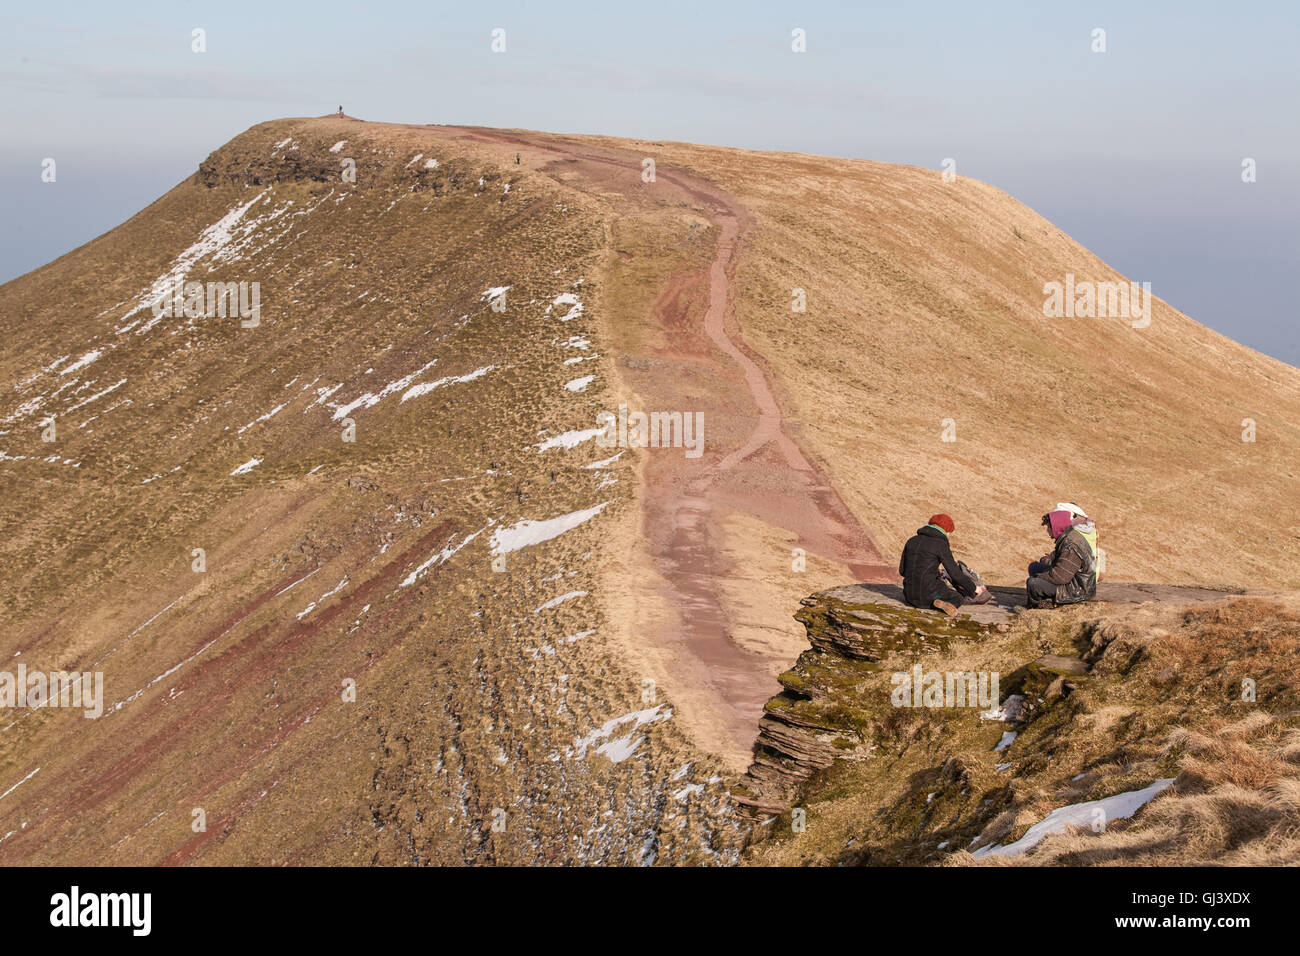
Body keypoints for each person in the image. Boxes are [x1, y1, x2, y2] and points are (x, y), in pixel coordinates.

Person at [899, 514, 992, 616]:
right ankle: (939, 604)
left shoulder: (911, 541)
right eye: (949, 533)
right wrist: (974, 588)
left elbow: (902, 571)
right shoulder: (940, 544)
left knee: (934, 587)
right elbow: (955, 573)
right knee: (957, 597)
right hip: (929, 594)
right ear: (946, 530)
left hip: (909, 596)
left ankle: (937, 603)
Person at [1026, 509, 1098, 608]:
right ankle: (1046, 599)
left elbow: (1061, 577)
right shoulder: (1068, 536)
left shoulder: (1071, 546)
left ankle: (1037, 607)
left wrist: (1039, 576)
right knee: (1034, 567)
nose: (1047, 530)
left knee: (1033, 583)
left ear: (1056, 527)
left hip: (1078, 590)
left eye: (1048, 527)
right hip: (1073, 580)